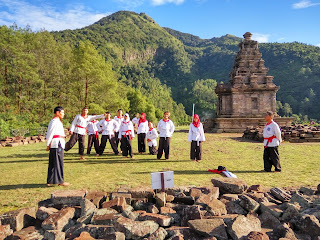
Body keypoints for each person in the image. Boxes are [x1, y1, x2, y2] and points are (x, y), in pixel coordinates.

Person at [45, 106, 70, 186]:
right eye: (62, 112)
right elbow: (50, 133)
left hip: (57, 143)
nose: (63, 114)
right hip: (56, 143)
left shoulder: (57, 121)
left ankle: (51, 180)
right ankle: (60, 181)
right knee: (58, 162)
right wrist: (48, 144)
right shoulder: (54, 121)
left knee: (53, 162)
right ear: (57, 113)